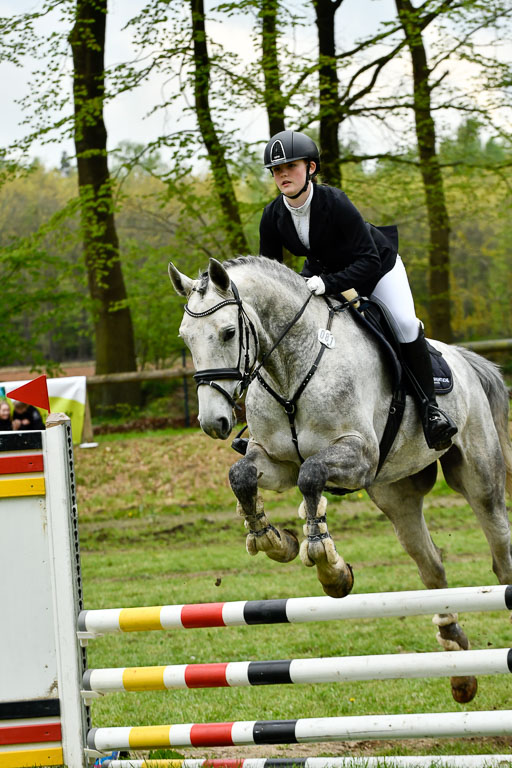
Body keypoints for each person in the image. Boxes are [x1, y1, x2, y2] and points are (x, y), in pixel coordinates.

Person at [259, 129, 457, 451]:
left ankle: (430, 411)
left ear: (310, 168)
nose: (282, 175)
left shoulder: (334, 202)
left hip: (378, 268)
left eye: (290, 166)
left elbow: (367, 260)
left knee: (405, 324)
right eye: (276, 170)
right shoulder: (272, 216)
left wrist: (328, 284)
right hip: (325, 275)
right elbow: (270, 274)